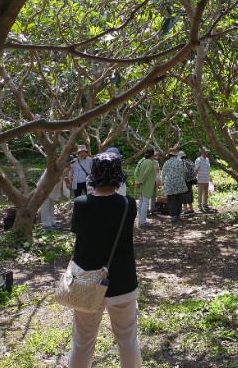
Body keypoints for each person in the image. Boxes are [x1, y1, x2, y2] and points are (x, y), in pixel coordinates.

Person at [67, 151, 141, 368]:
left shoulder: (81, 204)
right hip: (123, 281)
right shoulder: (129, 204)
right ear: (119, 177)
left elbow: (77, 231)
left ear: (93, 177)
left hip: (86, 282)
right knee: (127, 339)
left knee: (82, 340)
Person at [39, 162, 71, 231]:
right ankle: (46, 225)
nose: (68, 167)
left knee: (51, 207)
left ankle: (52, 222)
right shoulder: (54, 169)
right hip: (45, 189)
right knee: (45, 207)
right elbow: (53, 179)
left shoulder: (62, 170)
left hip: (52, 192)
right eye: (68, 164)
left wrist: (64, 180)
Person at [161, 147, 187, 223]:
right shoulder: (181, 161)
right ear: (176, 155)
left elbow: (163, 173)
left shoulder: (167, 162)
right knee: (179, 199)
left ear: (169, 155)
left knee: (171, 199)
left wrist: (162, 181)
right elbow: (185, 171)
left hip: (170, 184)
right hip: (180, 183)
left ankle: (173, 215)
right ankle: (178, 214)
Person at [134, 147, 157, 228]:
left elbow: (136, 172)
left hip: (140, 185)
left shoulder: (141, 160)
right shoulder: (150, 162)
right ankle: (143, 221)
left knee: (141, 202)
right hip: (146, 185)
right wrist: (141, 182)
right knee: (145, 202)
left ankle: (140, 220)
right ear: (152, 155)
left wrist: (137, 181)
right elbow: (146, 173)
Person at [195, 146, 213, 212]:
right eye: (205, 152)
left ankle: (205, 204)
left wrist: (210, 177)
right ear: (201, 152)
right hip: (200, 178)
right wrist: (195, 177)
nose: (206, 153)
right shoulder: (198, 160)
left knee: (206, 192)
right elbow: (196, 169)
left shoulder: (207, 159)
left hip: (206, 178)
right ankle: (199, 205)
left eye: (206, 152)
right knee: (200, 192)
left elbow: (208, 169)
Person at [179, 151, 196, 215]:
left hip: (184, 180)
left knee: (184, 195)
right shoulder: (190, 161)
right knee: (189, 194)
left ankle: (185, 210)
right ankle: (191, 209)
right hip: (191, 180)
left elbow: (183, 171)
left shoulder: (182, 162)